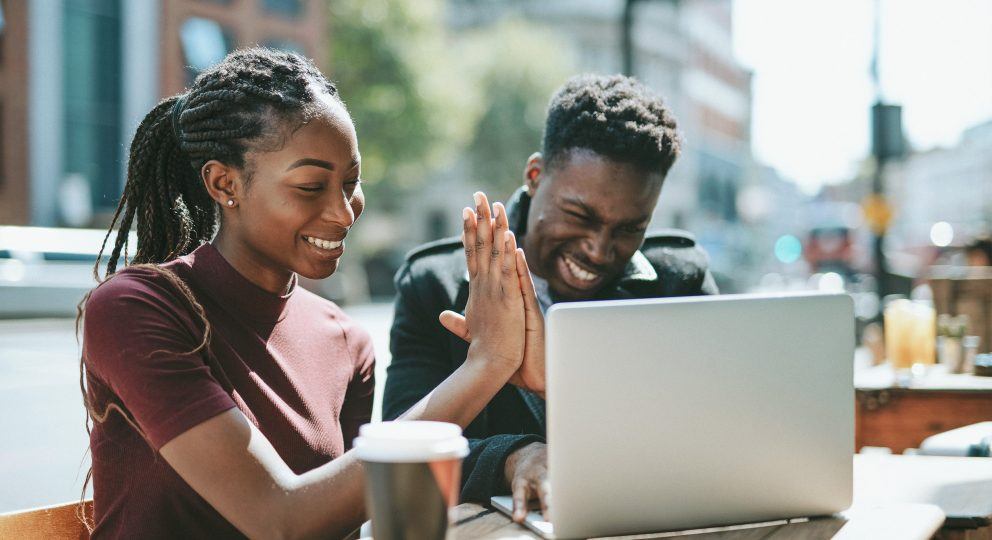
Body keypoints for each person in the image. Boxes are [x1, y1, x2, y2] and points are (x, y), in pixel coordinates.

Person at [79, 47, 540, 539]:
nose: (344, 213)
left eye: (351, 182)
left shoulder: (346, 341)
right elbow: (281, 519)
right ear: (224, 183)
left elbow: (340, 522)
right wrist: (487, 365)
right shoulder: (137, 308)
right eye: (310, 186)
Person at [383, 74, 718, 521]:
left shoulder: (680, 281)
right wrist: (511, 456)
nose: (599, 250)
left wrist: (561, 381)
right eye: (579, 215)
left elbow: (711, 431)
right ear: (536, 175)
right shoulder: (434, 286)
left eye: (629, 229)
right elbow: (401, 446)